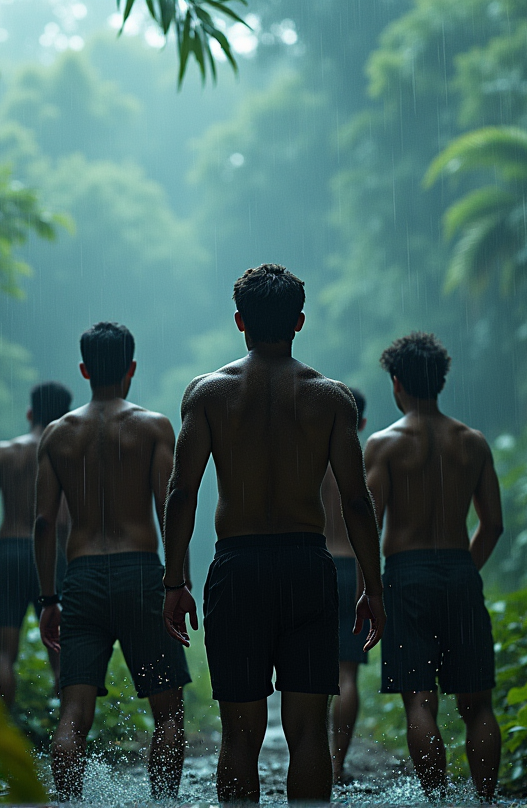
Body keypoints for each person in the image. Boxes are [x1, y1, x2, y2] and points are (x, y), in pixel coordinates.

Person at [161, 264, 386, 803]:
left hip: (237, 568)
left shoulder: (208, 394)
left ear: (240, 321)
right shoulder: (331, 399)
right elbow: (356, 500)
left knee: (240, 733)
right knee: (309, 730)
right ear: (300, 322)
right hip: (308, 566)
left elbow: (181, 493)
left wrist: (174, 582)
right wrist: (373, 588)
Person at [33, 322, 192, 801]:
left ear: (83, 370)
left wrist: (48, 597)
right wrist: (176, 582)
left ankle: (69, 802)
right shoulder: (152, 426)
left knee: (73, 713)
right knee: (167, 712)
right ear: (132, 368)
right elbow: (173, 506)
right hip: (141, 573)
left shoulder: (57, 435)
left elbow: (44, 524)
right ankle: (163, 802)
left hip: (81, 578)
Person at [365, 332, 504, 802]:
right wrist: (466, 568)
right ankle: (485, 800)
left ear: (397, 384)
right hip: (459, 569)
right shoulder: (473, 442)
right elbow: (493, 524)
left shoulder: (383, 446)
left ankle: (439, 800)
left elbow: (372, 523)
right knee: (477, 702)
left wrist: (373, 588)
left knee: (419, 700)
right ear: (441, 381)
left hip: (407, 574)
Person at [0, 381, 73, 708]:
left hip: (10, 553)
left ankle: (6, 743)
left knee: (4, 656)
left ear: (30, 412)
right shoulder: (63, 453)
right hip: (51, 558)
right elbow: (63, 522)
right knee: (60, 654)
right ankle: (68, 732)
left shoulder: (4, 453)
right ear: (64, 416)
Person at [322, 386, 370, 785]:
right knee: (347, 675)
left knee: (311, 673)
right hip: (354, 569)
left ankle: (312, 755)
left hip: (317, 565)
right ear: (363, 423)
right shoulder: (369, 463)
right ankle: (338, 764)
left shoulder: (313, 462)